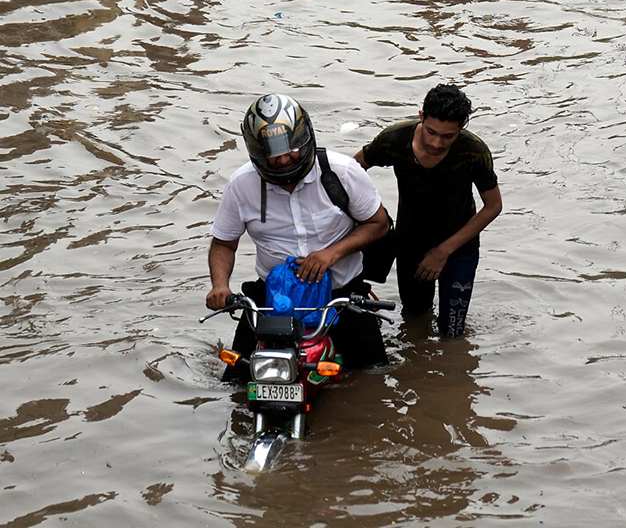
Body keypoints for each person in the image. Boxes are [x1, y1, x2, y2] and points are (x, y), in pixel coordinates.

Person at [206, 94, 392, 378]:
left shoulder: (342, 172)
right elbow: (223, 243)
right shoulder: (241, 185)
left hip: (341, 297)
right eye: (271, 152)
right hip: (272, 299)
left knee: (374, 377)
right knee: (235, 382)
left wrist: (332, 253)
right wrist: (220, 285)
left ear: (305, 138)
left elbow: (378, 223)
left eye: (291, 148)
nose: (282, 159)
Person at [355, 84, 502, 338]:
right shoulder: (395, 140)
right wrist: (372, 217)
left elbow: (494, 206)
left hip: (459, 249)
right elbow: (352, 171)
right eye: (431, 132)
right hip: (411, 246)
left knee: (452, 332)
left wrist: (443, 251)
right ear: (421, 116)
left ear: (463, 126)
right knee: (414, 323)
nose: (436, 143)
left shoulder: (473, 151)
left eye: (448, 136)